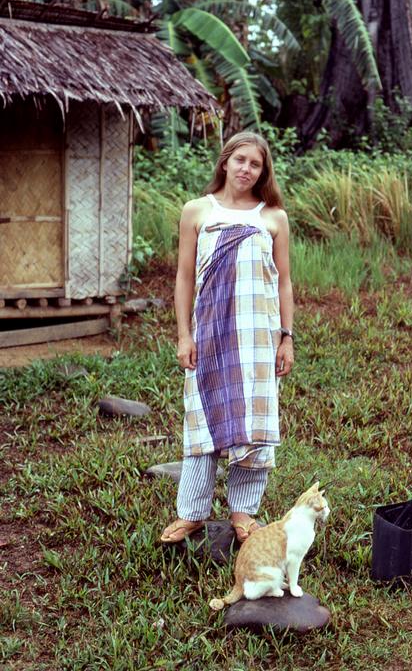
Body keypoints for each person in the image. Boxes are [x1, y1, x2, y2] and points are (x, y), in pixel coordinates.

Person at [161, 132, 294, 544]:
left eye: (255, 164)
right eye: (240, 160)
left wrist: (286, 338)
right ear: (225, 162)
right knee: (201, 419)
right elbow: (184, 278)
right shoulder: (198, 211)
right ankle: (193, 513)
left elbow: (285, 283)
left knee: (253, 422)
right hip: (211, 334)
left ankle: (243, 512)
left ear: (262, 171)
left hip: (257, 337)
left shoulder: (273, 217)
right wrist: (185, 335)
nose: (245, 169)